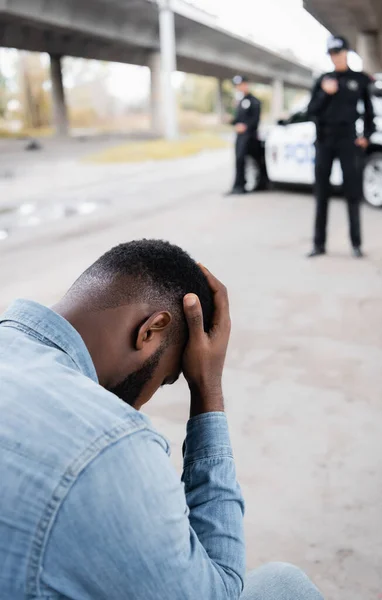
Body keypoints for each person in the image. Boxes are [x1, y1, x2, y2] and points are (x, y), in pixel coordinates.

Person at [0, 239, 324, 600]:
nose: (149, 397)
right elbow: (219, 593)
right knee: (284, 584)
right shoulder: (110, 444)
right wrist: (207, 391)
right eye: (169, 377)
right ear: (151, 330)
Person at [307, 35, 375, 258]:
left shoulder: (360, 80)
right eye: (332, 53)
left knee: (352, 192)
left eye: (339, 52)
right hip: (325, 141)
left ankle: (356, 244)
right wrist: (325, 94)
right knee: (321, 194)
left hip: (348, 140)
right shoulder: (322, 79)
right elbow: (311, 111)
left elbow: (369, 111)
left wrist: (366, 135)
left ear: (347, 52)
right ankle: (319, 244)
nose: (336, 57)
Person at [227, 75, 268, 195]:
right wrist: (231, 121)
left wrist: (245, 126)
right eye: (237, 86)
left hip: (250, 137)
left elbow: (255, 120)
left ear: (246, 84)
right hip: (240, 137)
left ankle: (261, 183)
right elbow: (238, 119)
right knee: (239, 161)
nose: (239, 88)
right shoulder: (239, 102)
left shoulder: (254, 101)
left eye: (241, 84)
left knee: (256, 161)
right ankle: (239, 185)